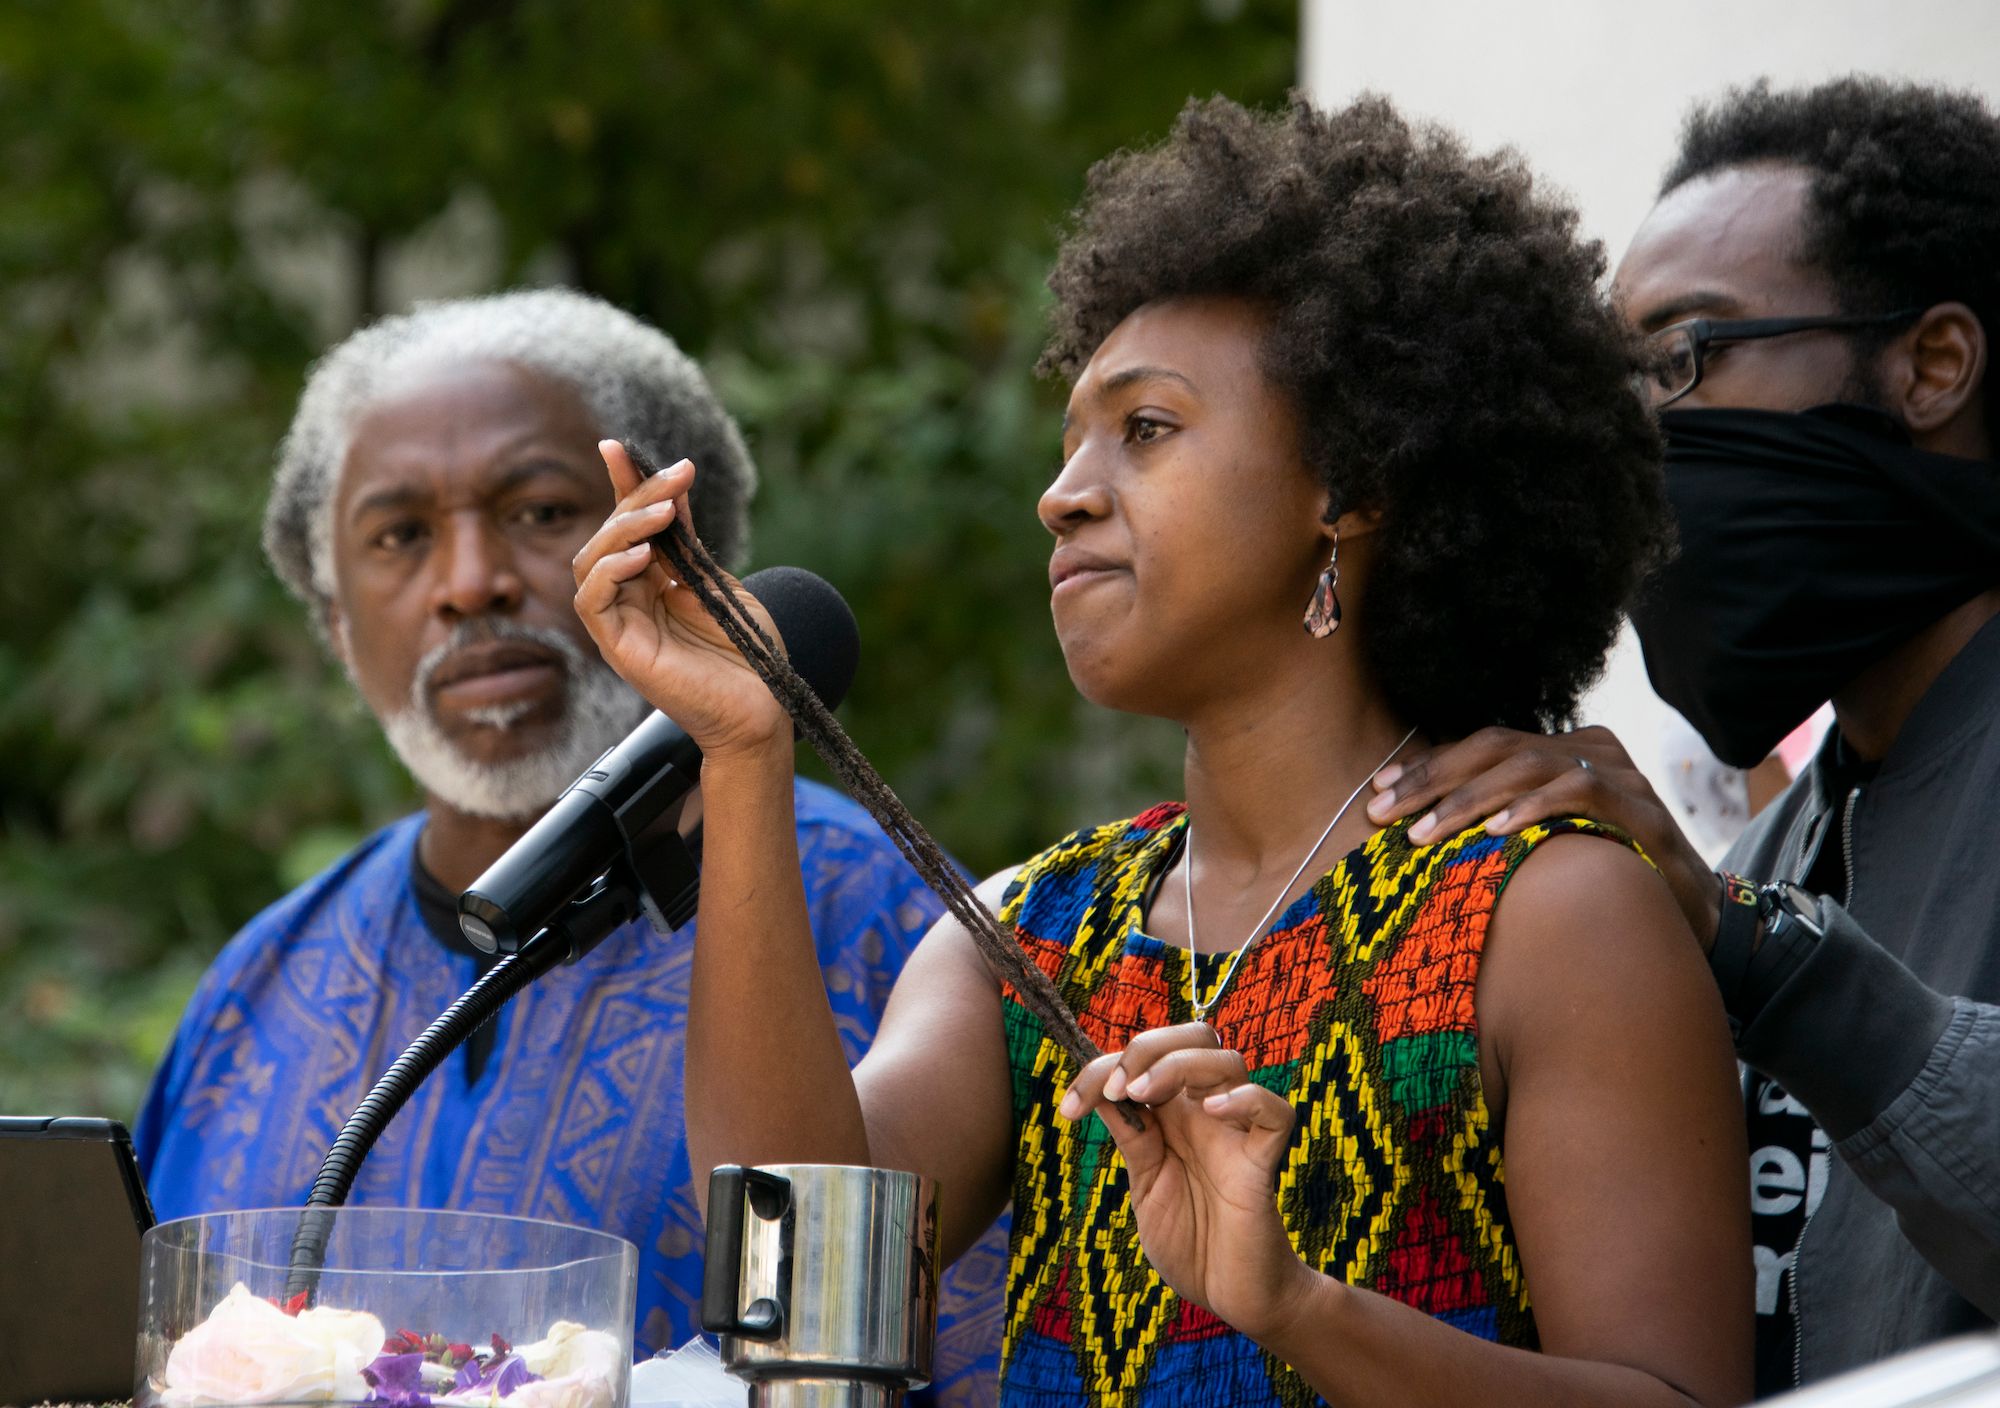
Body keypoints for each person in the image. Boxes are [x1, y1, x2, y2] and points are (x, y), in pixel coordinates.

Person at [572, 97, 1753, 1407]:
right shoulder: (1031, 934)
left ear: (1350, 488)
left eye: (1145, 428)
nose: (1061, 494)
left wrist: (1297, 1306)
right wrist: (743, 752)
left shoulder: (1551, 910)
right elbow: (795, 1289)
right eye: (1070, 440)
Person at [133, 288, 1006, 1393]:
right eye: (400, 536)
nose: (469, 583)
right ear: (335, 618)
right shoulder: (256, 982)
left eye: (542, 512)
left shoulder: (889, 919)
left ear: (688, 562)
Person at [1362, 76, 2000, 1395]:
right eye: (1617, 389)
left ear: (1932, 366)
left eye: (1678, 362)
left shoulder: (1741, 901)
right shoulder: (1778, 844)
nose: (1633, 443)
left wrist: (1752, 944)